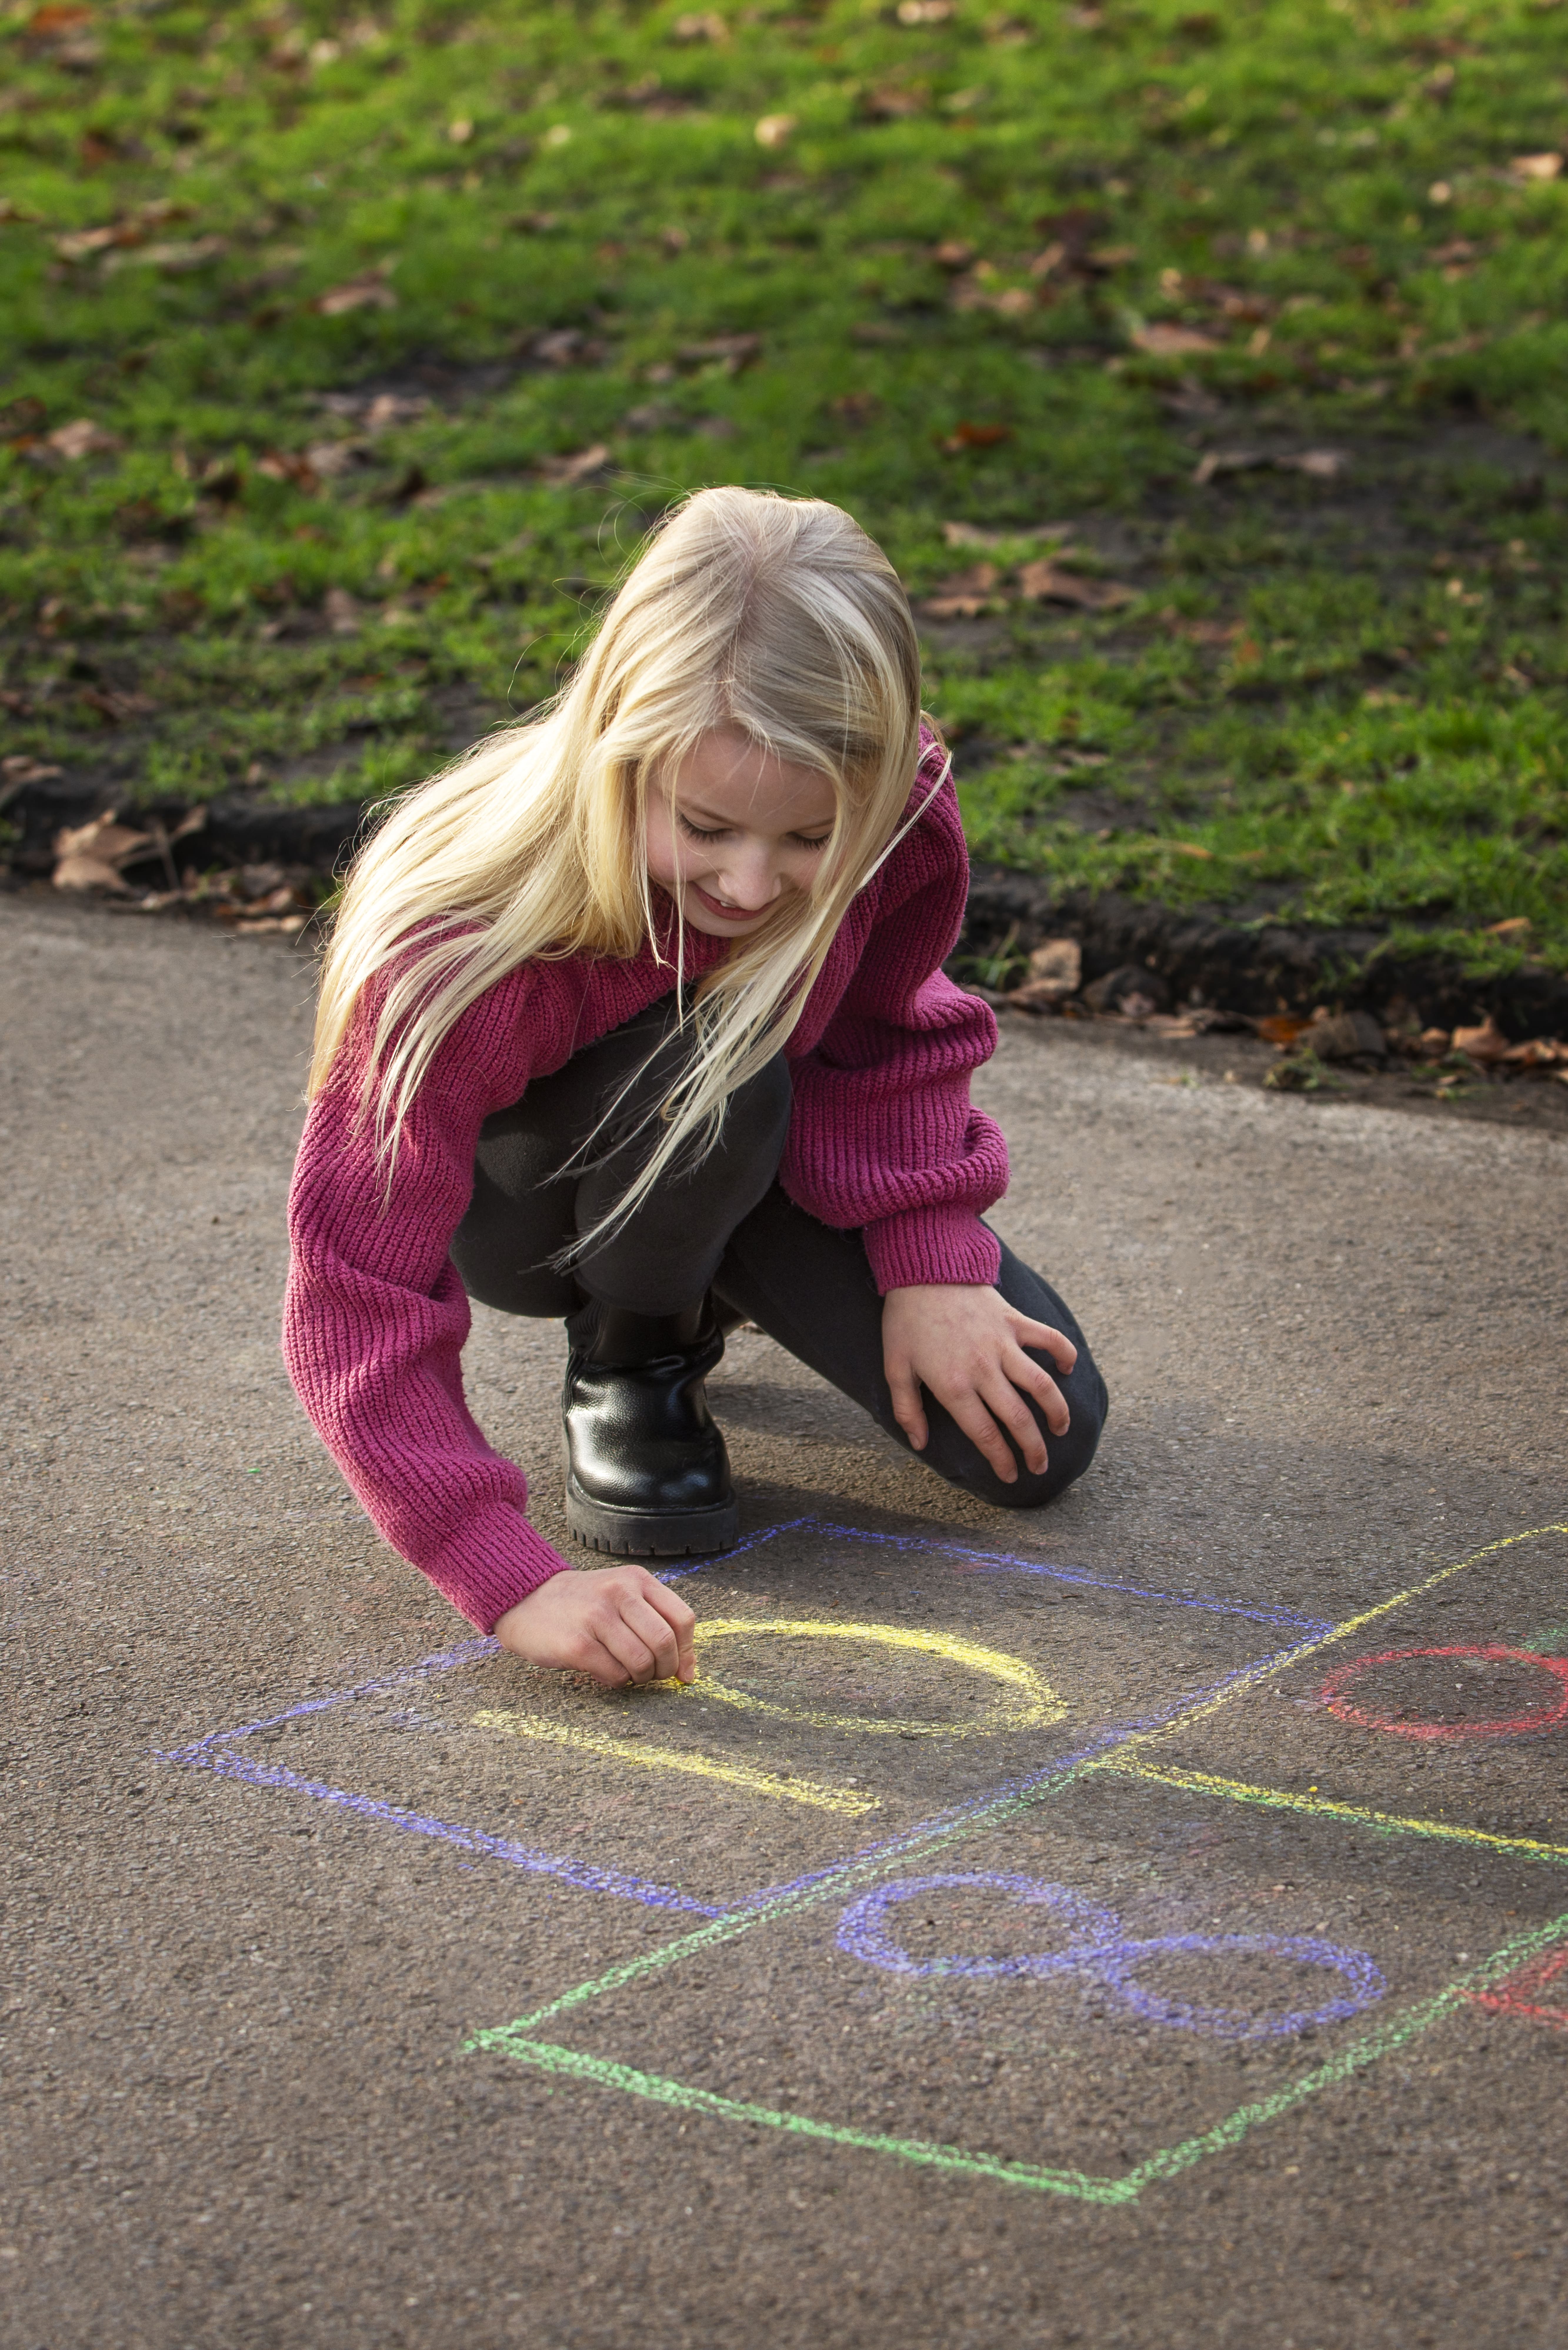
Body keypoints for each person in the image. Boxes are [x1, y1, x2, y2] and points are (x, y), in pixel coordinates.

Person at [283, 486, 1107, 1693]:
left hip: (739, 1136)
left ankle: (707, 1259)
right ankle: (632, 1359)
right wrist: (506, 1577)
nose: (749, 880)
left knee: (1043, 1437)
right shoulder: (457, 945)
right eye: (705, 826)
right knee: (701, 1073)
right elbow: (356, 1289)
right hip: (534, 1210)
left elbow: (886, 1030)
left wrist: (931, 1258)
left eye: (807, 839)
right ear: (619, 747)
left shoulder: (899, 819)